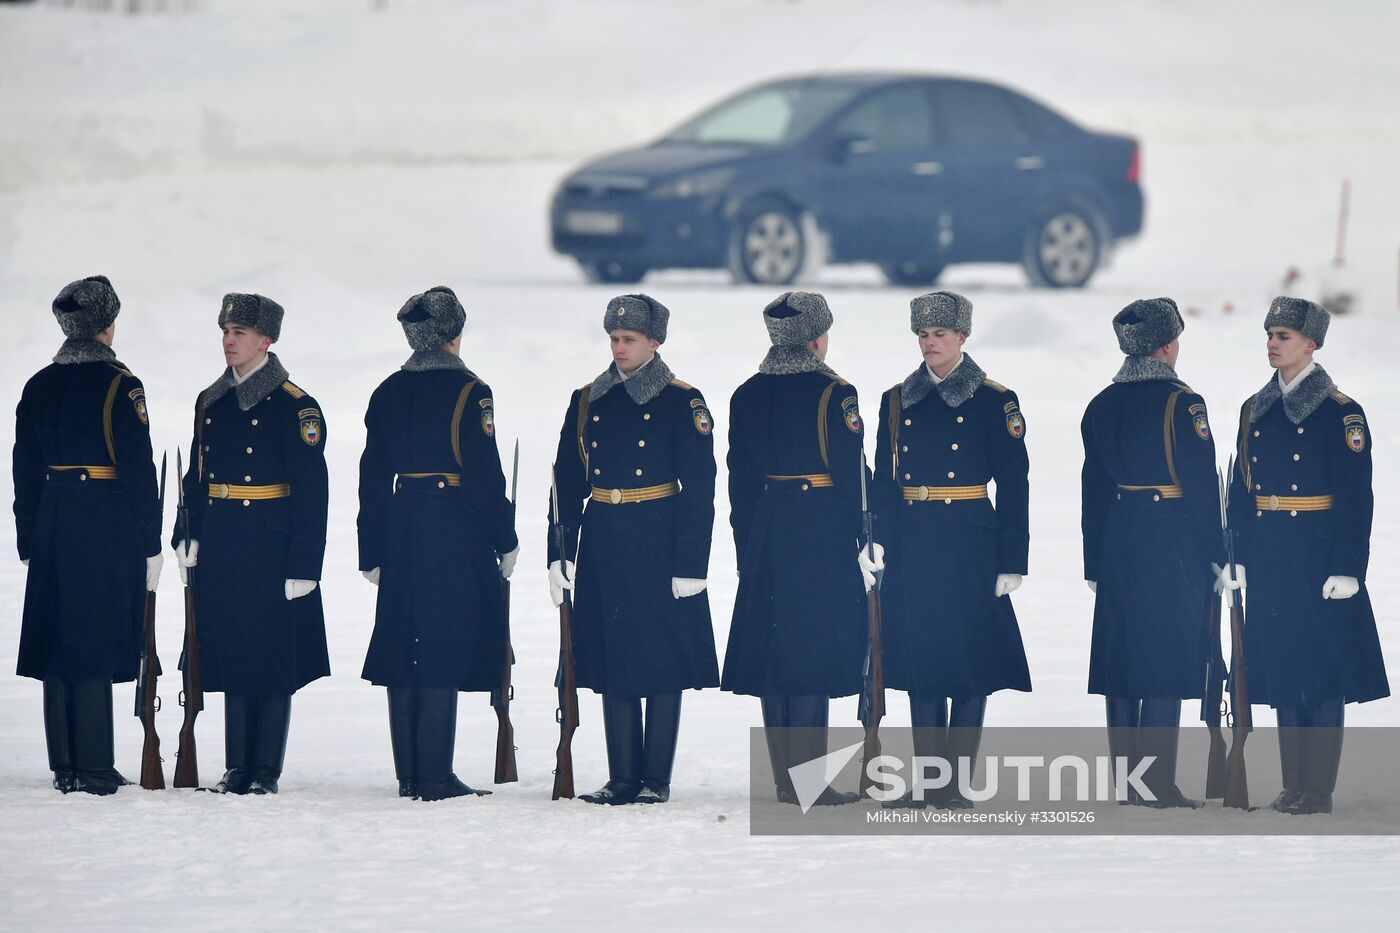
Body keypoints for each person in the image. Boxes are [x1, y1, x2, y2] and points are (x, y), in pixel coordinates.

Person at [547, 293, 719, 805]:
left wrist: (692, 562)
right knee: (614, 656)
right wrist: (560, 552)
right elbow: (565, 483)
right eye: (614, 339)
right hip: (604, 538)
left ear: (654, 342)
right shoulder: (587, 400)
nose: (619, 349)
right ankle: (622, 777)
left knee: (662, 661)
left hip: (661, 538)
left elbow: (702, 488)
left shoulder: (681, 401)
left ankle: (655, 779)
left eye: (629, 340)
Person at [1223, 296, 1389, 814]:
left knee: (1322, 674)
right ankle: (1292, 783)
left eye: (1284, 337)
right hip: (1272, 555)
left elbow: (1357, 497)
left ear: (1311, 343)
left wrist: (1347, 568)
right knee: (1282, 669)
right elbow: (1243, 491)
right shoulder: (1256, 408)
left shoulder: (1341, 413)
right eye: (1270, 335)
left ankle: (1318, 789)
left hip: (1318, 557)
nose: (1273, 345)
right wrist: (1240, 555)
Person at [358, 287, 519, 801]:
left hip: (401, 524)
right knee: (442, 644)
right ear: (455, 335)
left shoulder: (386, 390)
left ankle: (409, 772)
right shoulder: (472, 392)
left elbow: (372, 475)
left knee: (405, 643)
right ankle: (434, 774)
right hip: (452, 526)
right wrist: (505, 536)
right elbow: (484, 475)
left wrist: (372, 547)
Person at [873, 291, 1031, 809]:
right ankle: (929, 781)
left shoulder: (993, 400)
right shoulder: (896, 400)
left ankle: (955, 784)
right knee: (921, 657)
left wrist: (1012, 558)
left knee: (969, 658)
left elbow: (1014, 482)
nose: (929, 343)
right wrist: (877, 541)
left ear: (962, 337)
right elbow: (885, 481)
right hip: (914, 538)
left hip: (969, 538)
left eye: (939, 334)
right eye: (923, 334)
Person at [173, 293, 330, 795]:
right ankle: (237, 766)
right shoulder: (211, 400)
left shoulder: (294, 404)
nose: (229, 341)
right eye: (225, 331)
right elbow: (197, 476)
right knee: (233, 653)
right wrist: (187, 533)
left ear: (266, 340)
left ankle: (264, 769)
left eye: (239, 333)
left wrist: (306, 562)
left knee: (271, 657)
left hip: (272, 543)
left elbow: (312, 491)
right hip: (223, 541)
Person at [721, 291, 874, 807]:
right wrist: (872, 535)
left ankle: (787, 778)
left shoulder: (746, 393)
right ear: (816, 337)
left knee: (774, 649)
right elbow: (854, 476)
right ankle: (809, 780)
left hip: (765, 530)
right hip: (820, 533)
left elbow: (738, 480)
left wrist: (747, 542)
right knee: (812, 649)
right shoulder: (835, 393)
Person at [13, 275, 162, 794]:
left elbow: (24, 467)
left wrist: (28, 534)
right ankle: (95, 765)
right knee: (93, 634)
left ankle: (66, 764)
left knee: (59, 637)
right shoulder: (121, 384)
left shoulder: (38, 384)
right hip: (102, 522)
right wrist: (150, 540)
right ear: (106, 327)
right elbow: (139, 470)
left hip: (53, 519)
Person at [1081, 297, 1222, 808]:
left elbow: (1092, 489)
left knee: (1121, 656)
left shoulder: (1101, 404)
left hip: (1118, 539)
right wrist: (1217, 552)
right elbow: (1203, 487)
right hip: (1171, 541)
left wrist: (1094, 560)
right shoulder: (1183, 404)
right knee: (1163, 654)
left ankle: (1126, 781)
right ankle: (1157, 782)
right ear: (1167, 346)